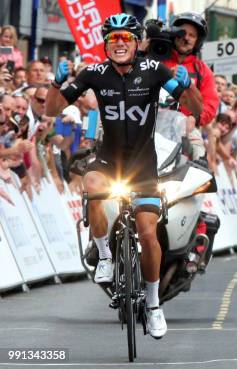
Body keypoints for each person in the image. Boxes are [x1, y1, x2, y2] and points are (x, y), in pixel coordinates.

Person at [45, 13, 203, 339]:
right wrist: (55, 84)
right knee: (92, 186)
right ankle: (104, 255)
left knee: (147, 233)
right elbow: (51, 109)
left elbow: (195, 108)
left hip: (143, 165)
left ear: (135, 43)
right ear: (106, 44)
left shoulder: (154, 70)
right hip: (109, 160)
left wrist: (187, 87)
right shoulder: (94, 73)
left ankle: (155, 303)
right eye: (113, 38)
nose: (119, 44)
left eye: (125, 38)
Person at [161, 12, 219, 128]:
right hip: (153, 126)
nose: (186, 38)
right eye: (182, 33)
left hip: (185, 129)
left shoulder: (202, 70)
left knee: (198, 147)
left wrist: (195, 118)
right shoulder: (158, 59)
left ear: (198, 41)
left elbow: (210, 103)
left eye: (192, 35)